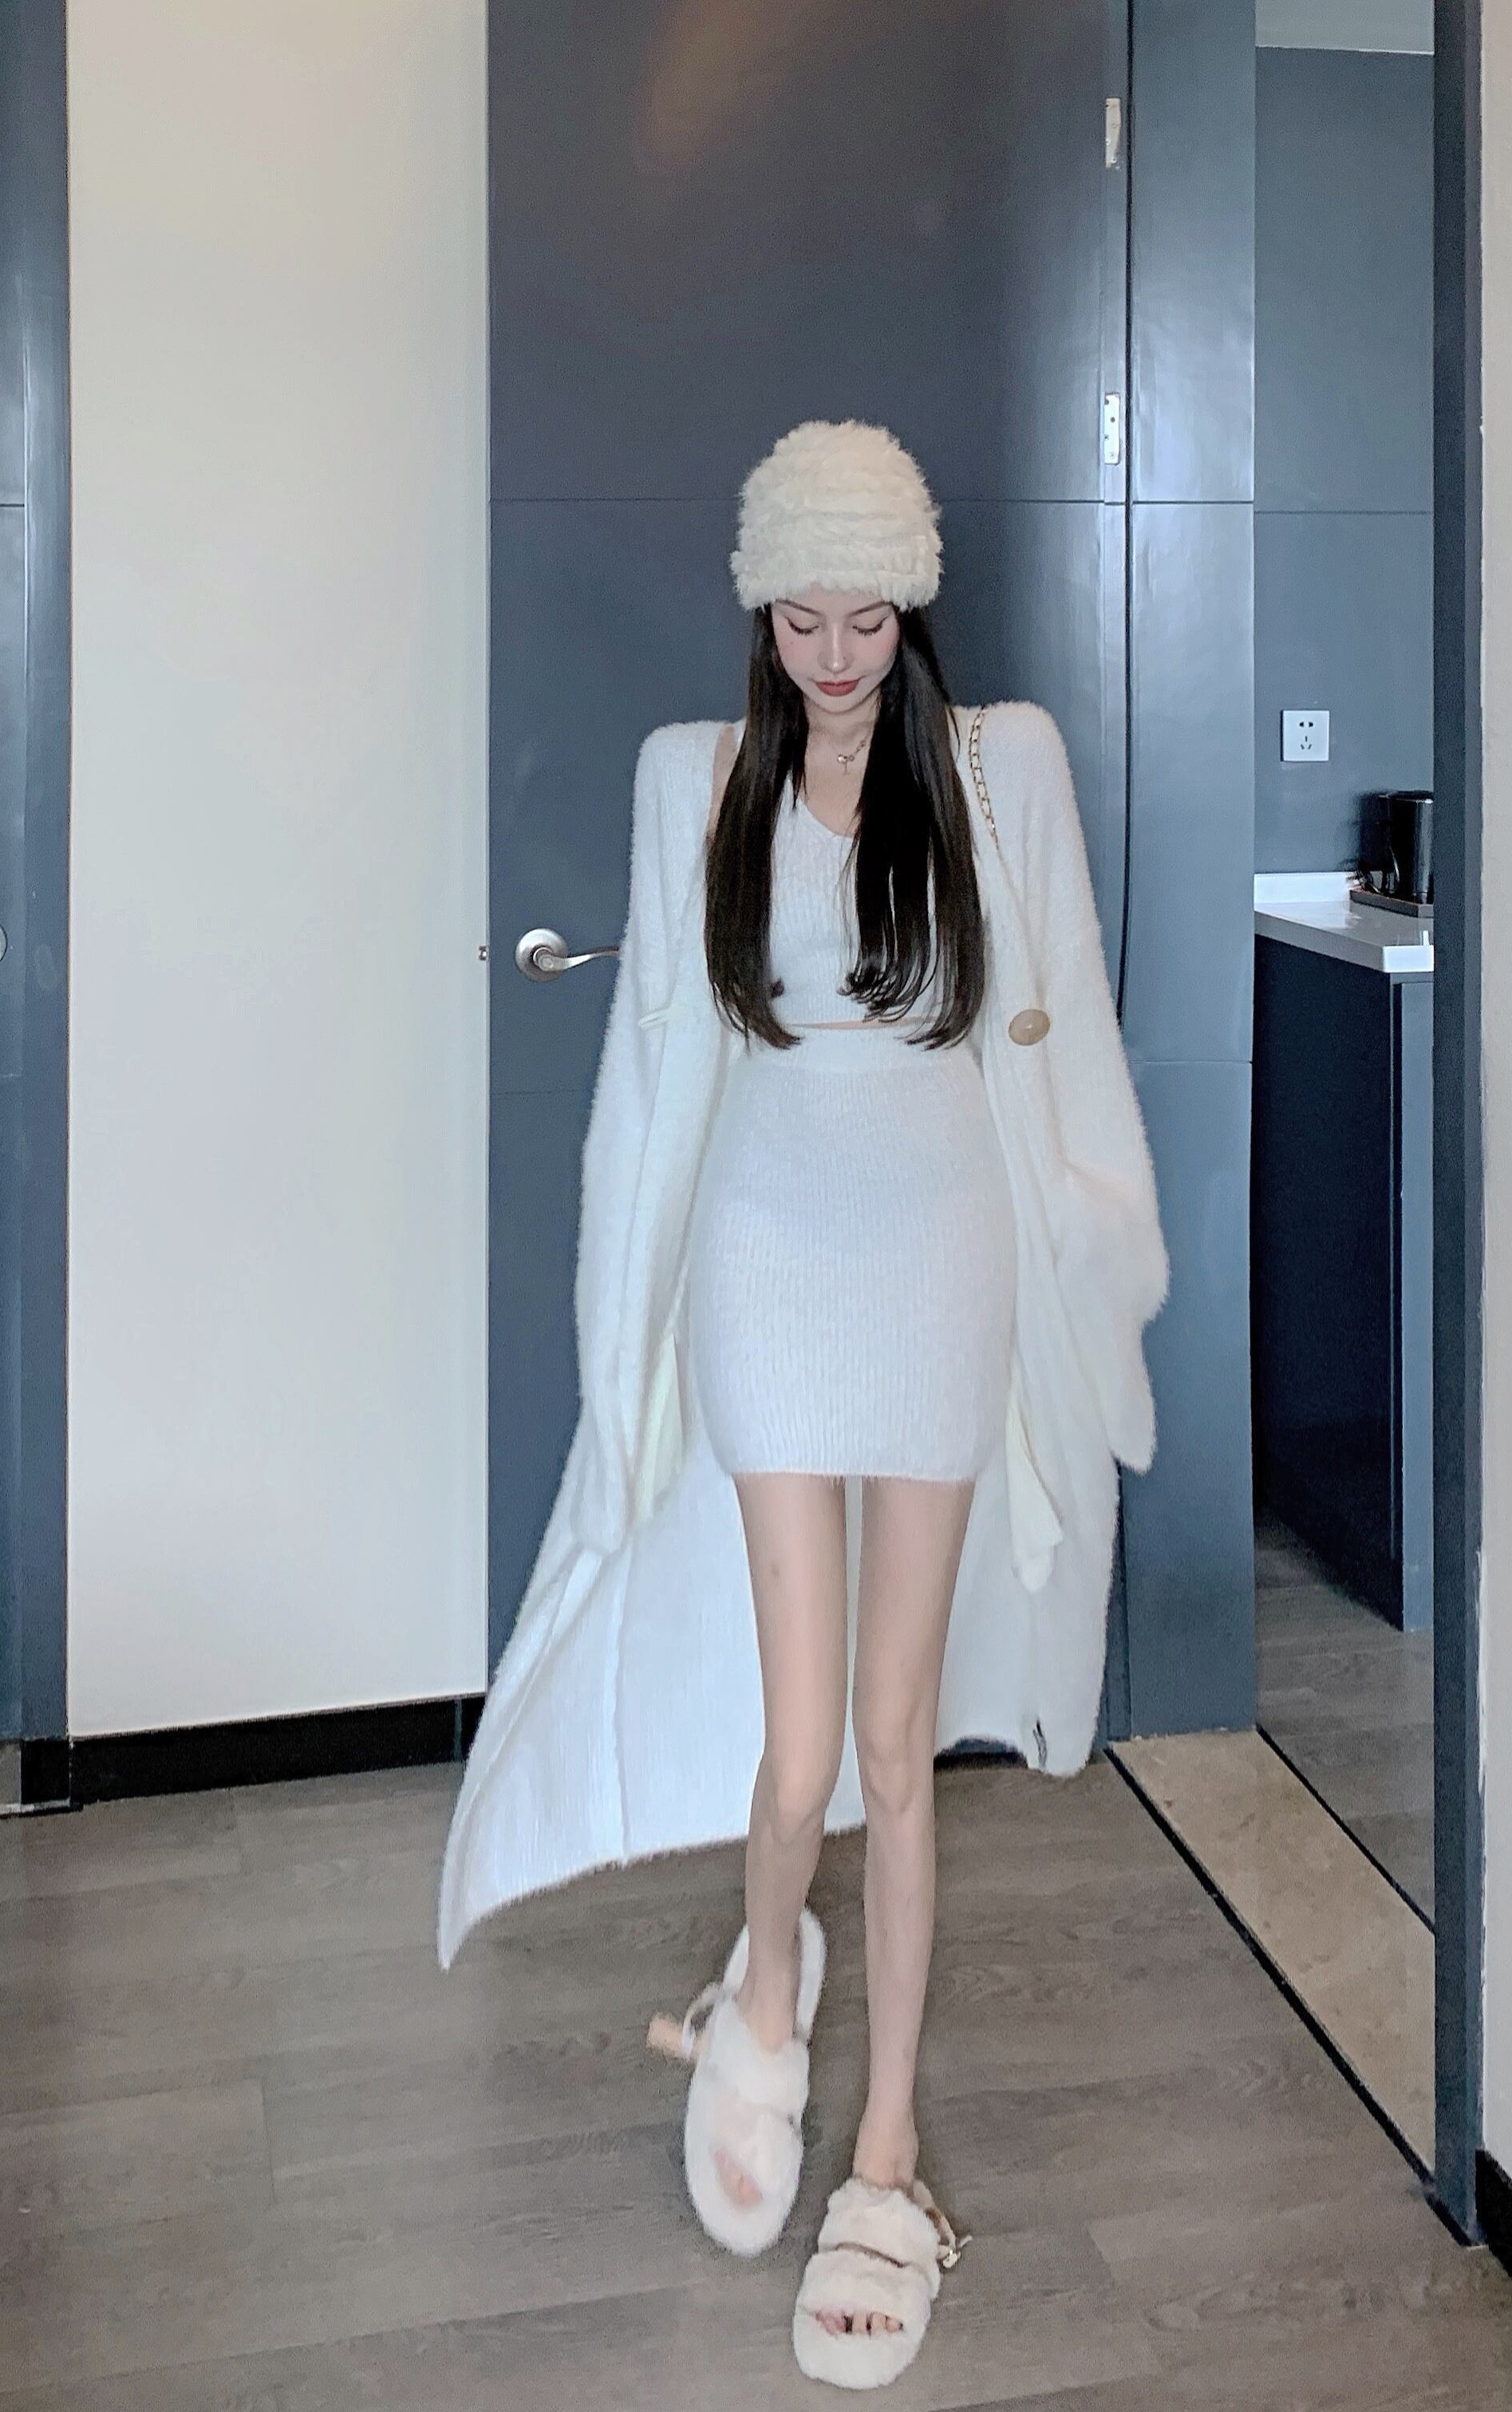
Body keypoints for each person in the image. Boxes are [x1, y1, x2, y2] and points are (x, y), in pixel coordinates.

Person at [437, 420, 1167, 2389]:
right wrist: (623, 1329)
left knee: (896, 1748)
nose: (836, 655)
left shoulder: (1000, 773)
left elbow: (1070, 1030)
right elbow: (650, 1078)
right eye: (801, 618)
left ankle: (888, 2151)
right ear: (758, 612)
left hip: (943, 1278)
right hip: (767, 1272)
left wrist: (1098, 1265)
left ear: (911, 606)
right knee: (798, 1749)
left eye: (867, 618)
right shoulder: (695, 779)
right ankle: (765, 1994)